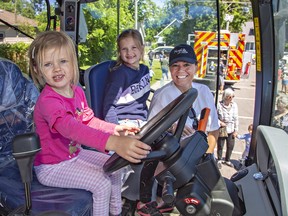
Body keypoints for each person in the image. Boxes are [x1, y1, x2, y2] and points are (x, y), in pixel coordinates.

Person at [28, 30, 151, 216]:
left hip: (74, 155)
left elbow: (88, 120)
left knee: (116, 163)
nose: (57, 69)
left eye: (63, 61)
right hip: (53, 167)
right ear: (37, 70)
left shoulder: (76, 91)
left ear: (73, 63)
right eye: (48, 64)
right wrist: (114, 143)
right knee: (100, 184)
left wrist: (116, 129)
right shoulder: (48, 102)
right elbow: (71, 128)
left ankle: (116, 211)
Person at [137, 44, 220, 216]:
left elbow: (213, 131)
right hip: (173, 161)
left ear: (196, 67)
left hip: (200, 157)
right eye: (175, 65)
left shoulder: (204, 92)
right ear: (170, 69)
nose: (181, 70)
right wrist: (170, 126)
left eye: (186, 65)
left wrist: (207, 157)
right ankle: (156, 200)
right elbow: (150, 133)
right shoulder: (162, 95)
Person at [103, 29, 150, 128]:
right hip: (125, 123)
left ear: (141, 48)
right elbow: (108, 107)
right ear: (119, 52)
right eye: (124, 49)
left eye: (134, 47)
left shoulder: (144, 70)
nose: (129, 52)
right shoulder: (119, 74)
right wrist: (117, 129)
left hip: (143, 121)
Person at [217, 88, 239, 168]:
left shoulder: (234, 105)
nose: (232, 98)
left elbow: (236, 118)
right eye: (230, 96)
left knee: (230, 146)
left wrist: (236, 130)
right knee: (220, 145)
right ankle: (219, 159)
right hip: (222, 129)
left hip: (231, 128)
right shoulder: (219, 105)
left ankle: (227, 160)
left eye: (233, 96)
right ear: (226, 97)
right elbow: (214, 117)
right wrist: (220, 122)